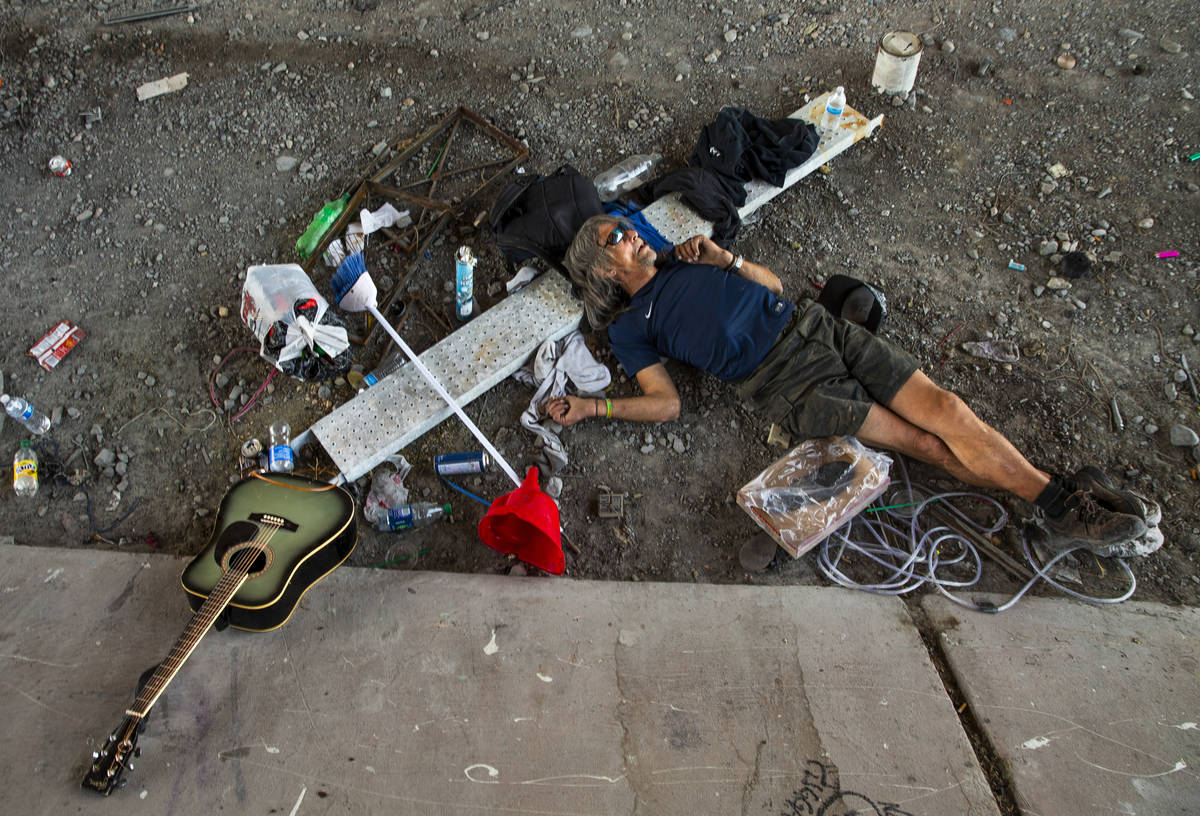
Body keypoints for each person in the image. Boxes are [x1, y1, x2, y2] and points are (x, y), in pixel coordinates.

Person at [546, 214, 1157, 555]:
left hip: (815, 327)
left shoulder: (685, 259)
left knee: (945, 407)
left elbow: (775, 288)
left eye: (627, 223)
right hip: (786, 381)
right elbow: (667, 403)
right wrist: (592, 408)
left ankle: (1061, 503)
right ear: (603, 268)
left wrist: (726, 260)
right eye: (616, 235)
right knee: (926, 446)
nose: (631, 232)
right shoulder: (632, 328)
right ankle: (1065, 503)